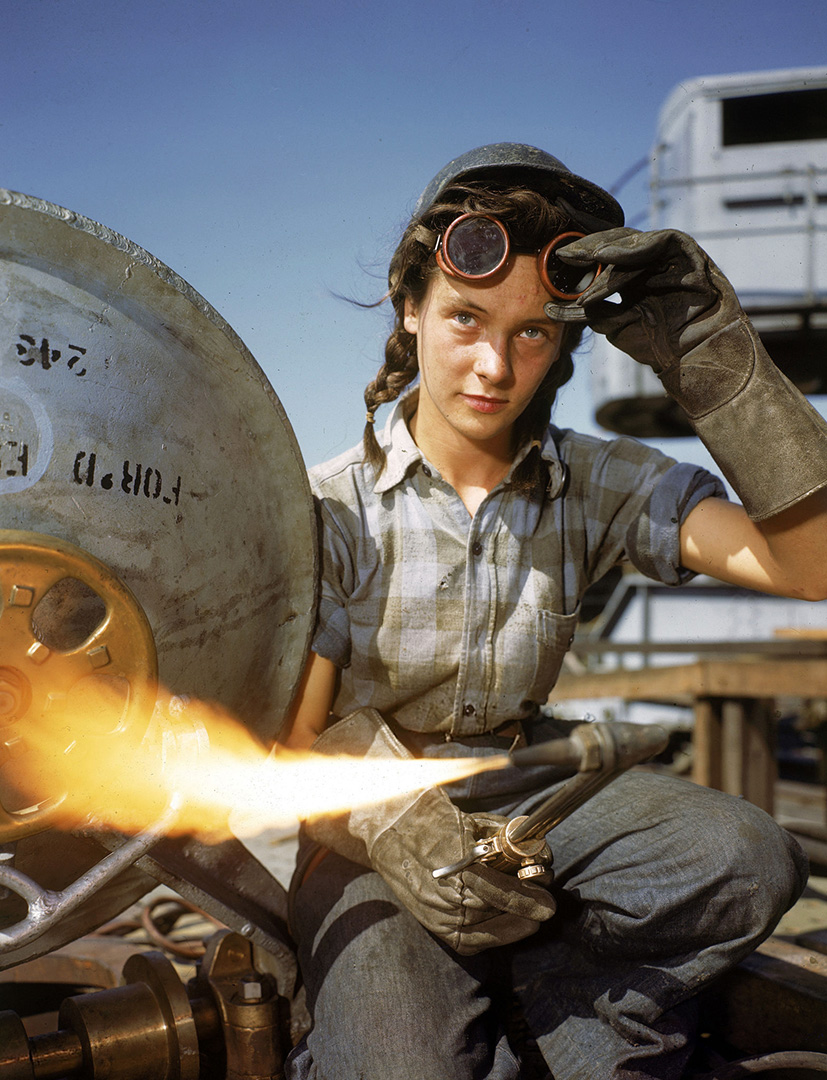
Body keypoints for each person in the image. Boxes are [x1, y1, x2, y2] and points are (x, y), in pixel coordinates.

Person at [281, 144, 827, 1080]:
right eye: (465, 317)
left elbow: (807, 566)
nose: (494, 365)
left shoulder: (598, 481)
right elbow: (294, 745)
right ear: (410, 308)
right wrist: (388, 822)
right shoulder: (329, 508)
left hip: (526, 789)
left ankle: (567, 1011)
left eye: (532, 332)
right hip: (364, 821)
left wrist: (711, 358)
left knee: (747, 858)